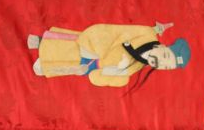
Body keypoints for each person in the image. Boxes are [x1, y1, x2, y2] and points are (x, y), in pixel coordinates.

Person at [27, 22, 191, 88]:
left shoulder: (138, 65)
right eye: (166, 57)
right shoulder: (146, 35)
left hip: (97, 66)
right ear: (163, 46)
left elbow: (119, 76)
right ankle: (40, 42)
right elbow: (121, 33)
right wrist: (155, 29)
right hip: (100, 45)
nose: (161, 63)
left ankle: (46, 65)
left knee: (73, 64)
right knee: (71, 46)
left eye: (165, 67)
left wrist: (119, 70)